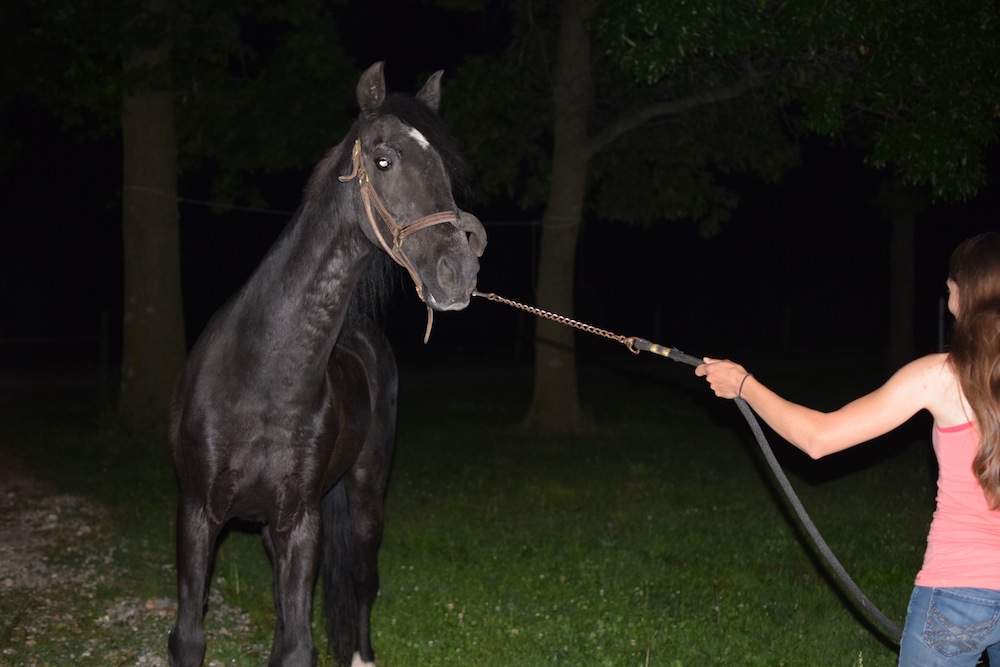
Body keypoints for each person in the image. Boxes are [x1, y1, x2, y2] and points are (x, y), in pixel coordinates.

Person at [695, 232, 1000, 667]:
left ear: (966, 292)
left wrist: (744, 385)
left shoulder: (940, 377)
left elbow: (819, 439)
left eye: (951, 285)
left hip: (959, 590)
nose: (947, 293)